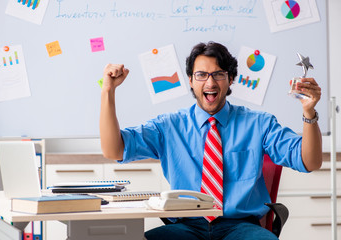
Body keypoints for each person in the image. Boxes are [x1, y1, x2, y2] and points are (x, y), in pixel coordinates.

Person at [99, 41, 322, 240]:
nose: (210, 82)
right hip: (186, 227)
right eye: (201, 75)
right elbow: (115, 150)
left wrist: (309, 113)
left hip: (240, 227)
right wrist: (108, 91)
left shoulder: (258, 123)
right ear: (190, 80)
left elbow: (309, 161)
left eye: (218, 74)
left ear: (231, 79)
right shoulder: (169, 126)